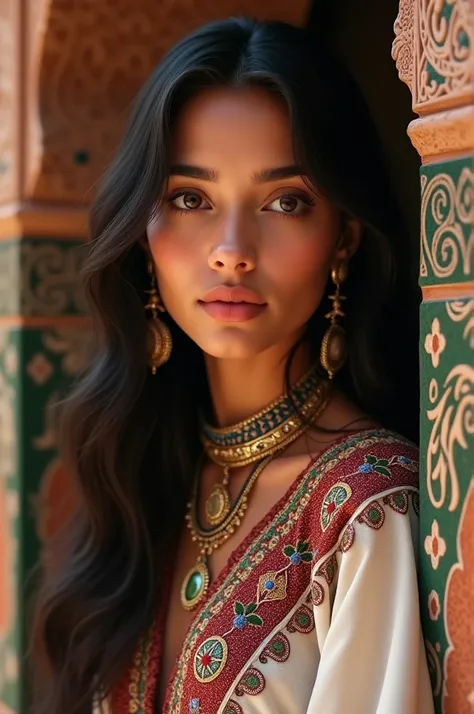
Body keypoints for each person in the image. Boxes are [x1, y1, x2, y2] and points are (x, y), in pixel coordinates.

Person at [30, 17, 434, 714]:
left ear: (344, 240)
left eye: (285, 201)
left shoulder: (366, 511)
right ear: (142, 233)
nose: (231, 249)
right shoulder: (148, 478)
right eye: (190, 198)